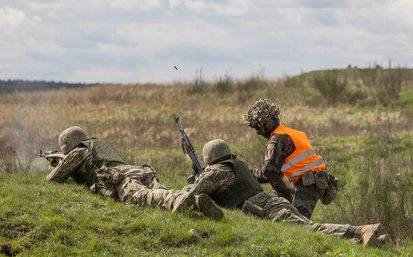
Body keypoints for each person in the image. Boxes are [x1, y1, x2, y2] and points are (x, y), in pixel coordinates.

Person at [184, 139, 390, 246]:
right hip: (272, 203)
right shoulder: (238, 165)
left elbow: (190, 194)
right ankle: (370, 241)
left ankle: (360, 230)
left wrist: (195, 179)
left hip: (265, 209)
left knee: (309, 230)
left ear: (209, 159)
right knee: (308, 232)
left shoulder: (218, 171)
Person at [45, 126, 223, 219]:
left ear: (68, 145)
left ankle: (179, 199)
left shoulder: (77, 152)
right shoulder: (97, 144)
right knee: (160, 191)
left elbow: (54, 179)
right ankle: (198, 203)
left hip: (119, 178)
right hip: (139, 170)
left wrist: (55, 163)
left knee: (148, 197)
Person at [244, 98, 337, 219]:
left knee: (298, 221)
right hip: (314, 179)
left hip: (309, 181)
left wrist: (248, 174)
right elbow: (276, 173)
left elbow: (269, 173)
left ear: (272, 120)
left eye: (259, 126)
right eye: (255, 127)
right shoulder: (292, 133)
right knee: (291, 218)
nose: (258, 131)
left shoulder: (277, 139)